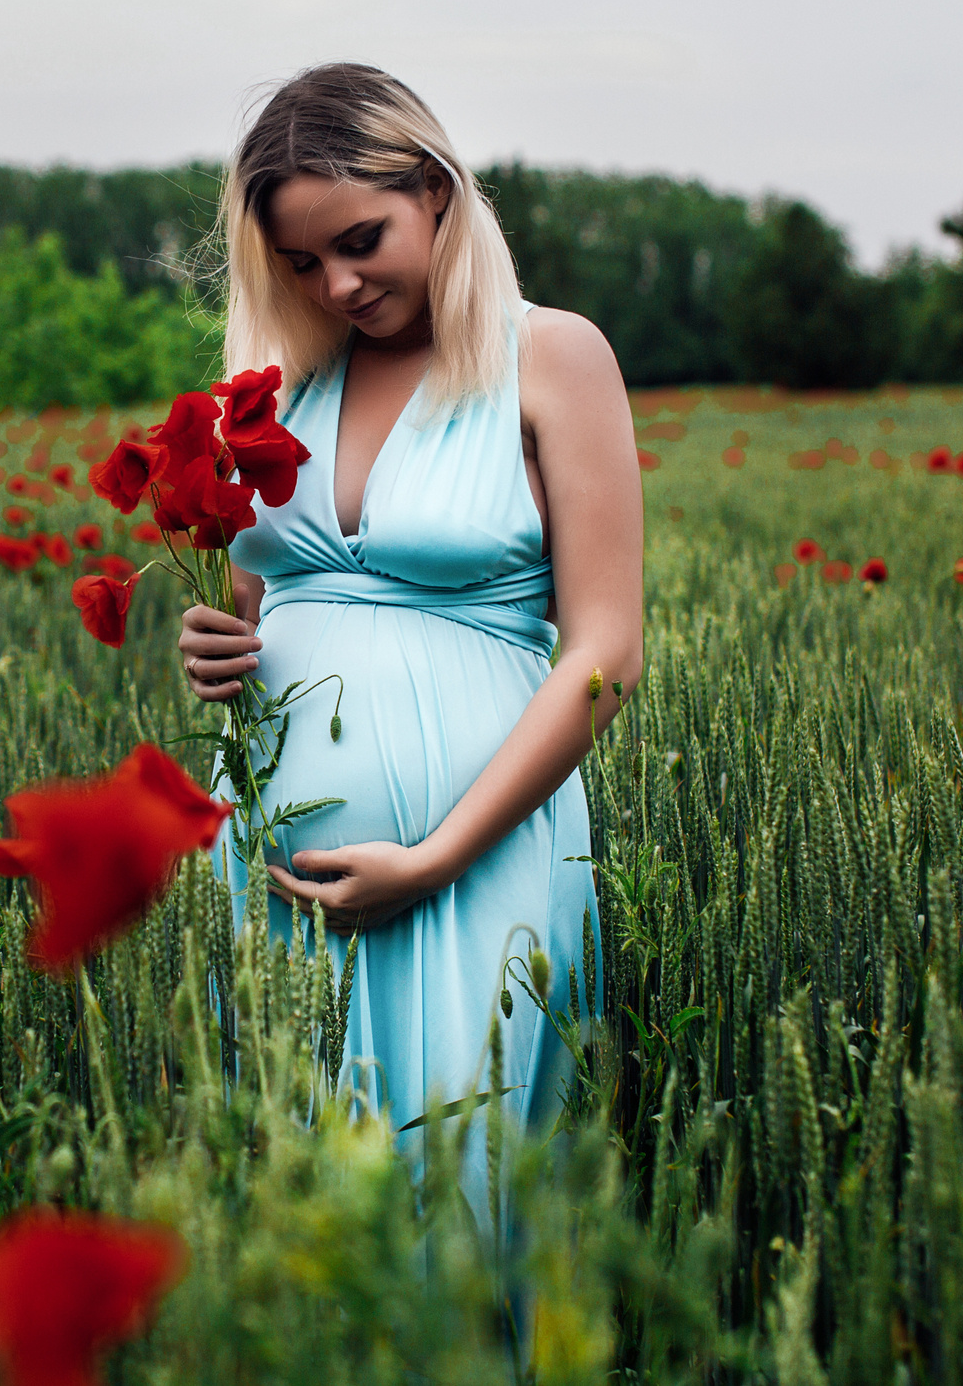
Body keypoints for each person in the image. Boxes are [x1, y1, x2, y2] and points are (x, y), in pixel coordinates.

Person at [179, 61, 644, 1217]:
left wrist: (435, 858)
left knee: (459, 1189)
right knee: (298, 1209)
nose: (334, 283)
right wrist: (212, 646)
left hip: (474, 858)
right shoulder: (277, 386)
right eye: (298, 262)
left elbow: (605, 652)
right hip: (275, 862)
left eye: (360, 239)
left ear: (435, 189)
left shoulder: (551, 356)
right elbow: (257, 603)